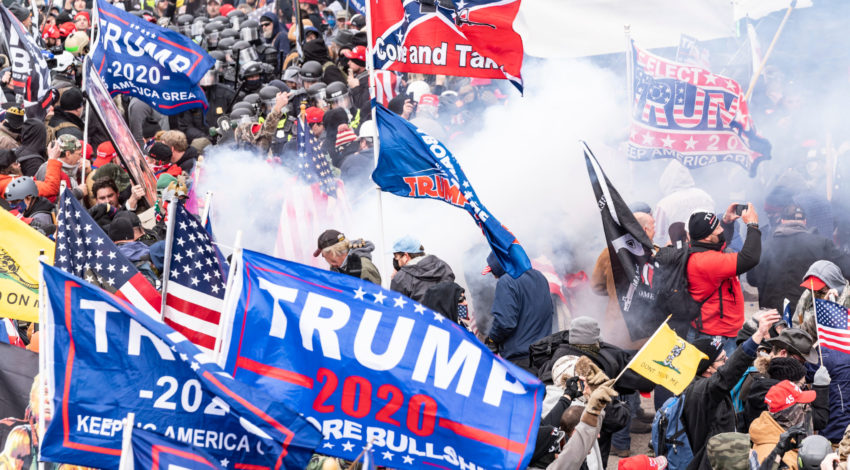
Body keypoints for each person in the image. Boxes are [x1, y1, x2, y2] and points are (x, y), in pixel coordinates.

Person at [681, 309, 780, 470]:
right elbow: (728, 373)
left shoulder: (703, 386)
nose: (726, 360)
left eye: (726, 355)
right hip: (713, 464)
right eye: (721, 360)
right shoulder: (703, 391)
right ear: (707, 370)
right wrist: (758, 335)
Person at [686, 205, 761, 356]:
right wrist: (752, 225)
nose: (721, 231)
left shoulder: (700, 247)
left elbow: (719, 242)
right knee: (723, 377)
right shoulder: (706, 261)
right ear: (707, 237)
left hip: (718, 331)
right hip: (715, 336)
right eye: (718, 228)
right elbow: (749, 258)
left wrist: (727, 222)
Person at [749, 205, 850, 312]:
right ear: (805, 221)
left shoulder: (764, 247)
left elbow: (752, 280)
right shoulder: (822, 244)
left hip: (771, 318)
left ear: (782, 221)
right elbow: (847, 268)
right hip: (806, 318)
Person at [591, 209, 656, 350]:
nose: (655, 232)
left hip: (616, 330)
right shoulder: (657, 255)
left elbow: (596, 285)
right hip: (647, 334)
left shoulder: (609, 252)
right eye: (654, 227)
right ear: (645, 230)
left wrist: (615, 294)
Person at [483, 251, 554, 370]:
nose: (494, 277)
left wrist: (492, 339)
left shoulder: (506, 281)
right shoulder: (540, 276)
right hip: (544, 357)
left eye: (494, 272)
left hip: (520, 361)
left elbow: (505, 322)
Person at [750, 380, 817, 469]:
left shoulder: (780, 434)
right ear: (788, 414)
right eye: (804, 406)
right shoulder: (772, 454)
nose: (808, 408)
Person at [652, 160, 715, 246]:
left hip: (678, 252)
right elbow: (713, 223)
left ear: (666, 179)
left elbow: (658, 236)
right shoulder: (705, 196)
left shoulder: (664, 204)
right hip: (707, 246)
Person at [389, 235, 455, 303]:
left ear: (406, 256)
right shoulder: (443, 266)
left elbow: (395, 309)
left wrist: (396, 279)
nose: (395, 260)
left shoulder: (400, 278)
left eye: (396, 256)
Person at [313, 229, 381, 285]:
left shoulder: (363, 268)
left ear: (342, 253)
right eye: (328, 261)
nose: (332, 265)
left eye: (333, 261)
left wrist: (354, 282)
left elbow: (371, 299)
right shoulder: (339, 268)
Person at [35, 135, 89, 202]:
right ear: (68, 154)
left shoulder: (74, 168)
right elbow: (50, 201)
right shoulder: (47, 169)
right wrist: (78, 192)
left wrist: (88, 173)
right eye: (79, 154)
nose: (80, 158)